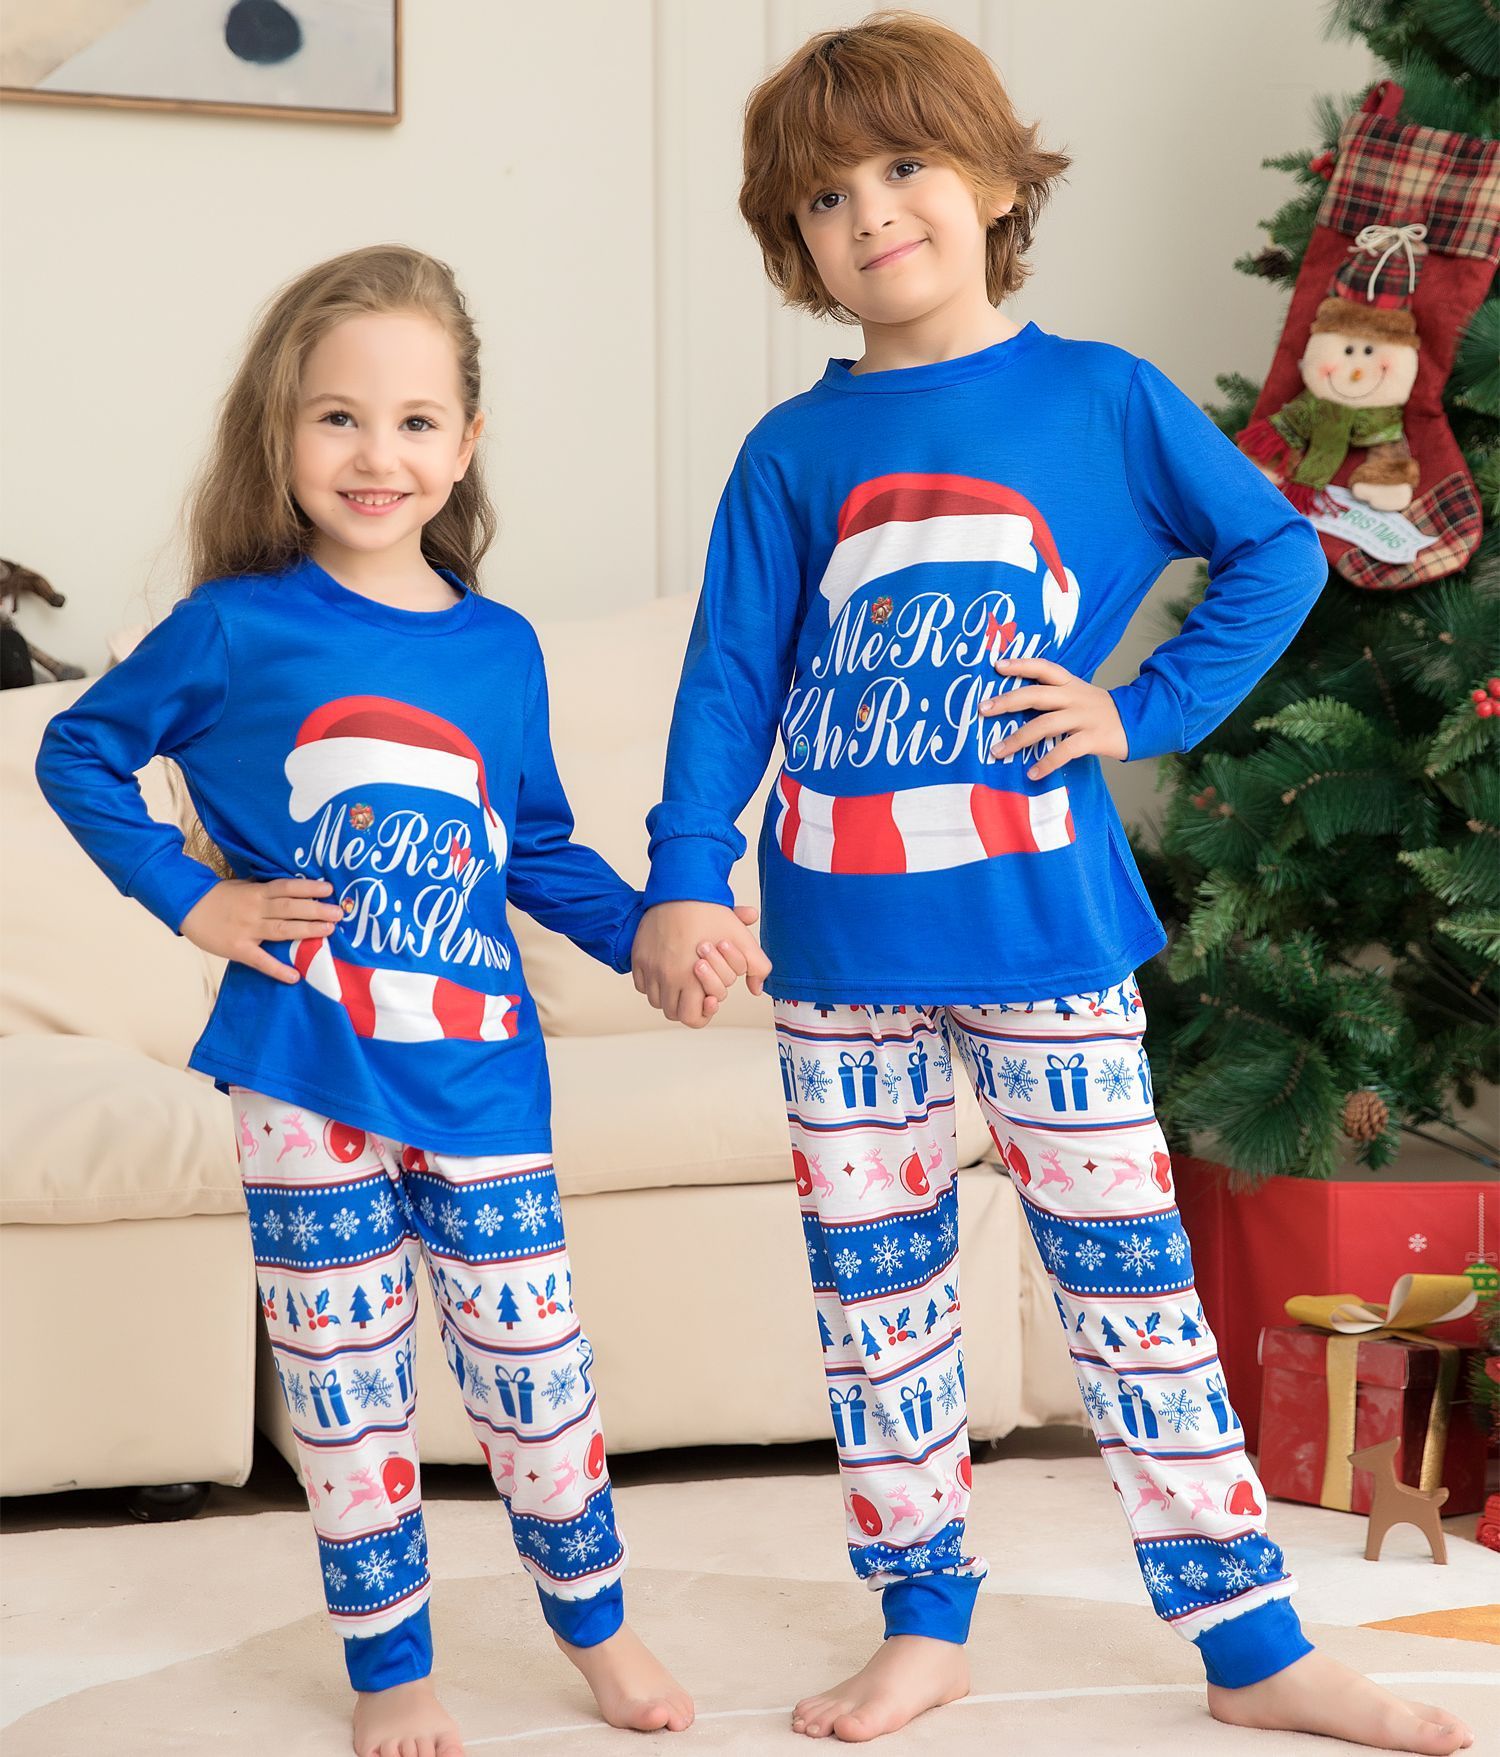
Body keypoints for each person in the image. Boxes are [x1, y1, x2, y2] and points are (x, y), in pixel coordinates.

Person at [630, 15, 1475, 1753]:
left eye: (907, 166)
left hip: (1045, 928)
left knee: (1130, 1288)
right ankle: (923, 1618)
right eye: (823, 197)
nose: (870, 213)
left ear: (1001, 180)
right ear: (791, 245)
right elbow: (726, 677)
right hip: (838, 938)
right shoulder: (793, 453)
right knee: (882, 1306)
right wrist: (686, 872)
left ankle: (1251, 1642)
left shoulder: (1099, 398)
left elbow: (1269, 551)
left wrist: (1137, 711)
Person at [36, 244, 722, 1757]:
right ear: (281, 432)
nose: (377, 453)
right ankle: (391, 1663)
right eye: (338, 417)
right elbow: (76, 752)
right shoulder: (235, 627)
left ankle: (594, 1623)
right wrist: (195, 896)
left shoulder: (498, 646)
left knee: (535, 1376)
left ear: (465, 445)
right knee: (345, 1395)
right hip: (305, 1074)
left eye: (416, 421)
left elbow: (532, 844)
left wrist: (656, 936)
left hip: (482, 1085)